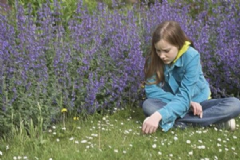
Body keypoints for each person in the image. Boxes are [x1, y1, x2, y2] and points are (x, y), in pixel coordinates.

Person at [141, 20, 240, 134]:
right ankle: (212, 122)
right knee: (148, 105)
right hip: (174, 101)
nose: (162, 55)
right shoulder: (154, 58)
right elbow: (152, 91)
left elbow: (185, 95)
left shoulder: (191, 56)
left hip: (198, 104)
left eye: (166, 51)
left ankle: (176, 122)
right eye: (158, 50)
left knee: (235, 104)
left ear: (178, 45)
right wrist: (187, 104)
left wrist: (158, 115)